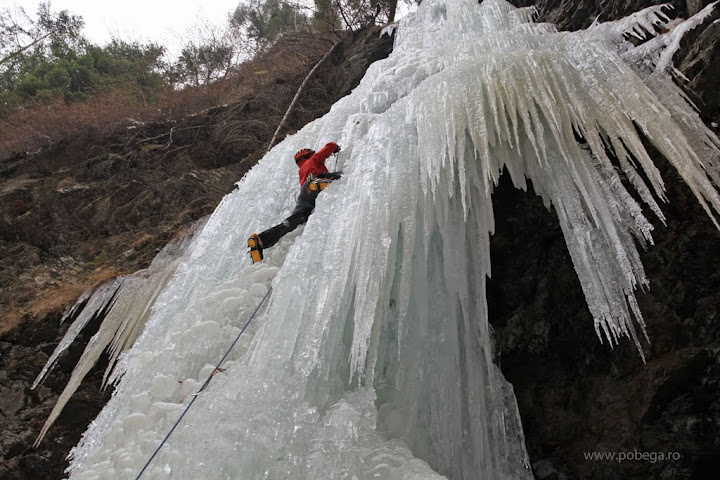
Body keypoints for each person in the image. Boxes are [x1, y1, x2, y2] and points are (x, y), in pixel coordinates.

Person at [248, 142, 341, 263]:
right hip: (312, 184)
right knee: (341, 177)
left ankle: (260, 240)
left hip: (303, 197)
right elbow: (329, 146)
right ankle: (317, 184)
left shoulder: (301, 171)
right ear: (308, 155)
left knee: (292, 222)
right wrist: (336, 147)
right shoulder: (313, 160)